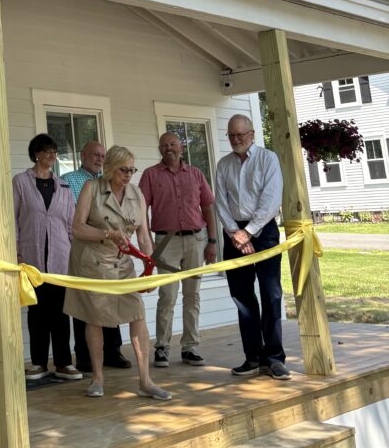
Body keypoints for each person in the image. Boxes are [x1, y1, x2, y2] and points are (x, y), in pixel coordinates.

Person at [64, 145, 171, 401]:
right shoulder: (92, 188)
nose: (129, 175)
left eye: (132, 170)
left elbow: (143, 235)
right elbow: (77, 228)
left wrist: (150, 269)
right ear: (111, 168)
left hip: (123, 264)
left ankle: (145, 381)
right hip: (93, 262)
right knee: (95, 318)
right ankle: (97, 378)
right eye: (124, 170)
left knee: (137, 314)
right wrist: (107, 234)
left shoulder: (136, 193)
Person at [214, 114, 289, 380]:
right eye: (231, 135)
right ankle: (253, 357)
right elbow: (221, 202)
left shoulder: (268, 159)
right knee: (242, 296)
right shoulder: (223, 164)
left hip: (263, 229)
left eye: (240, 135)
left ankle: (274, 358)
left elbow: (272, 199)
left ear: (252, 134)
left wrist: (249, 232)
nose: (236, 139)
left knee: (271, 293)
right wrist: (236, 234)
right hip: (234, 232)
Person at [139, 132, 218, 368]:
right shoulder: (150, 175)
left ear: (181, 147)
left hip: (196, 240)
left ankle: (190, 347)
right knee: (168, 296)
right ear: (160, 149)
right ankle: (162, 347)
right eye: (164, 145)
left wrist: (212, 241)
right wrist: (148, 242)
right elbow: (141, 210)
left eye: (172, 144)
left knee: (192, 295)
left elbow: (208, 207)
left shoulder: (195, 174)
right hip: (166, 242)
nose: (168, 148)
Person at [13, 133, 82, 383]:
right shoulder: (21, 182)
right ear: (36, 154)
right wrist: (15, 252)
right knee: (37, 313)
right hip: (31, 257)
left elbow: (71, 223)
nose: (52, 155)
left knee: (61, 312)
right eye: (47, 151)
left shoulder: (62, 186)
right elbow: (13, 219)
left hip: (61, 257)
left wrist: (75, 254)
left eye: (54, 151)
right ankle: (38, 363)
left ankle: (64, 363)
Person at [63, 140, 131, 371]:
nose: (99, 159)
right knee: (84, 305)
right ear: (83, 155)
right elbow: (72, 217)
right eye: (95, 155)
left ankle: (113, 352)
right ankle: (85, 357)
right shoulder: (70, 180)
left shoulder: (109, 182)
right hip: (83, 250)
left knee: (111, 301)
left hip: (109, 252)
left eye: (103, 155)